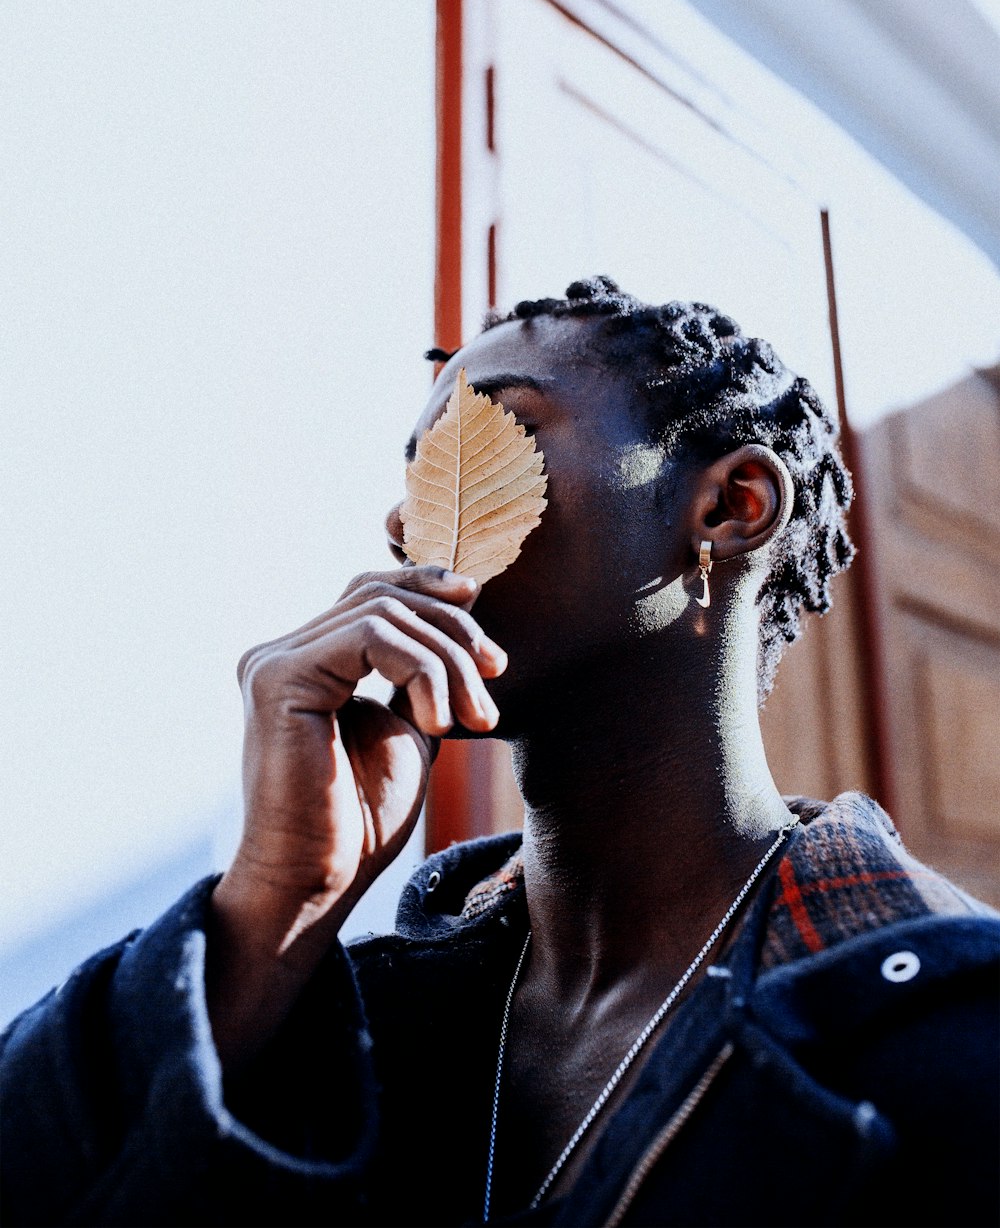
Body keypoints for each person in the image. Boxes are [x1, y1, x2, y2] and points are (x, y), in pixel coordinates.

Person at [1, 277, 997, 1228]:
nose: (404, 519)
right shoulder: (340, 1029)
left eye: (489, 432)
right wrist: (271, 901)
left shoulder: (952, 1033)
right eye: (409, 472)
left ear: (732, 506)